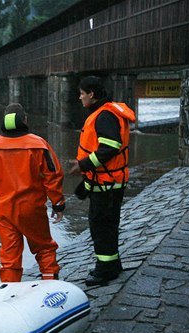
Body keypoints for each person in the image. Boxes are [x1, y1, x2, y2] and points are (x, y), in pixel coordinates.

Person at [0, 103, 65, 282]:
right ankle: (50, 287)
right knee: (44, 248)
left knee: (9, 258)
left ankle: (10, 294)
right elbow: (53, 176)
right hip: (32, 209)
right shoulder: (39, 144)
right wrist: (58, 204)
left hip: (4, 210)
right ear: (25, 119)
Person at [68, 76, 136, 286]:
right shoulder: (106, 112)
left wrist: (84, 164)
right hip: (109, 182)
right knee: (108, 225)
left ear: (92, 94)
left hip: (106, 184)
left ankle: (104, 271)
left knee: (100, 227)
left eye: (81, 93)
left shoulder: (104, 116)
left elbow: (110, 147)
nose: (80, 98)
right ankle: (113, 264)